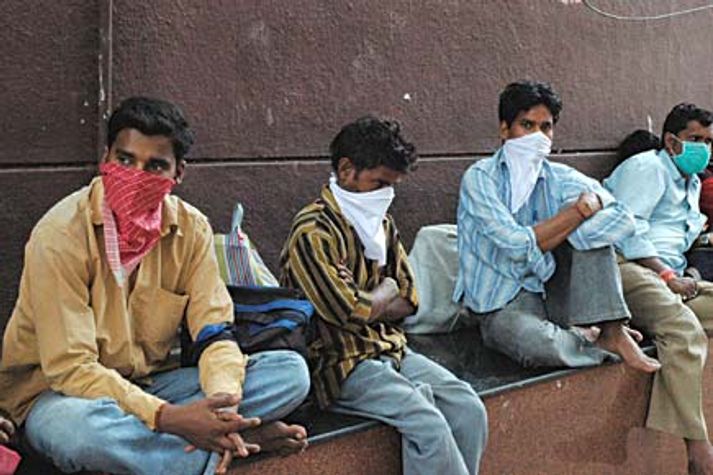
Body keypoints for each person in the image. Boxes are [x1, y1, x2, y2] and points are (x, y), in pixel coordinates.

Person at [0, 97, 310, 475]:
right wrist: (168, 418)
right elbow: (72, 368)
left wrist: (222, 408)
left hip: (151, 383)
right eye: (125, 160)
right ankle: (235, 446)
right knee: (77, 435)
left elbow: (215, 334)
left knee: (290, 373)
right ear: (105, 159)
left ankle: (204, 439)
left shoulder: (190, 229)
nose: (135, 175)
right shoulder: (61, 234)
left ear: (178, 173)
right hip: (60, 396)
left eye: (155, 166)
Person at [280, 116, 488, 475]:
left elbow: (410, 298)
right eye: (379, 183)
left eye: (391, 186)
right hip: (340, 364)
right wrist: (383, 290)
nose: (386, 195)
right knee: (429, 426)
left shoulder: (381, 224)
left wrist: (377, 295)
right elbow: (345, 311)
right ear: (347, 170)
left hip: (391, 349)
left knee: (469, 408)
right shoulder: (313, 232)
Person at [454, 80, 660, 373]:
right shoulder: (480, 178)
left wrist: (587, 213)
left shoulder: (558, 176)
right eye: (527, 125)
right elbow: (515, 246)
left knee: (594, 234)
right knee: (537, 344)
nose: (537, 137)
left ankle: (612, 331)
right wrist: (577, 212)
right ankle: (587, 340)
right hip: (498, 302)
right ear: (504, 129)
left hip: (553, 293)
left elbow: (623, 218)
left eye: (545, 127)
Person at [604, 103, 713, 475]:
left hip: (669, 278)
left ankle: (683, 425)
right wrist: (667, 276)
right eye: (695, 139)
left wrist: (685, 274)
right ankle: (698, 450)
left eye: (709, 141)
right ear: (671, 141)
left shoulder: (691, 181)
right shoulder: (647, 168)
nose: (704, 148)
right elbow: (625, 230)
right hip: (622, 267)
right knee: (683, 330)